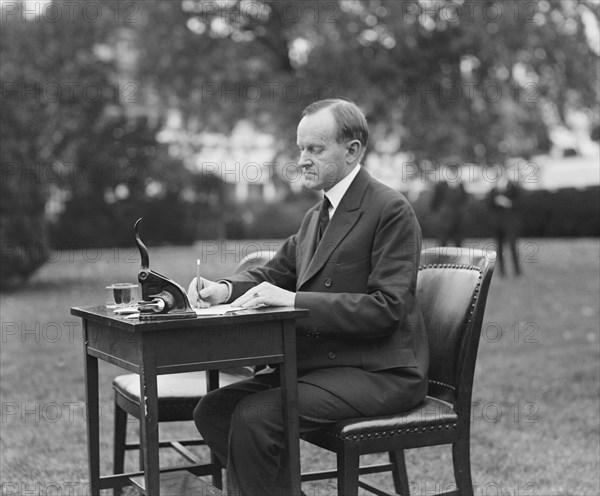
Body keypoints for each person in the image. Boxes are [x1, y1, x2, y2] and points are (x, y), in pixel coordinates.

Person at [187, 98, 428, 496]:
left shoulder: (391, 210)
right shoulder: (317, 215)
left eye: (315, 149)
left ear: (352, 151)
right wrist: (223, 289)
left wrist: (293, 302)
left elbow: (387, 310)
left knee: (256, 416)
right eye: (301, 148)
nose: (302, 159)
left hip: (379, 372)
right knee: (214, 410)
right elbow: (273, 272)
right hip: (324, 367)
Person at [487, 174, 522, 277]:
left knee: (513, 246)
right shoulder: (493, 191)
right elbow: (488, 206)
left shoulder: (513, 189)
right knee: (499, 248)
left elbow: (520, 203)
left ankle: (517, 271)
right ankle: (502, 272)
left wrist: (508, 203)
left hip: (510, 224)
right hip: (498, 224)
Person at [430, 163, 469, 247]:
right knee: (442, 243)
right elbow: (435, 202)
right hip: (444, 220)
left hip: (457, 220)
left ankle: (458, 260)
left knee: (458, 243)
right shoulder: (440, 186)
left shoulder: (461, 185)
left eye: (454, 171)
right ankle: (440, 260)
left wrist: (461, 213)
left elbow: (464, 201)